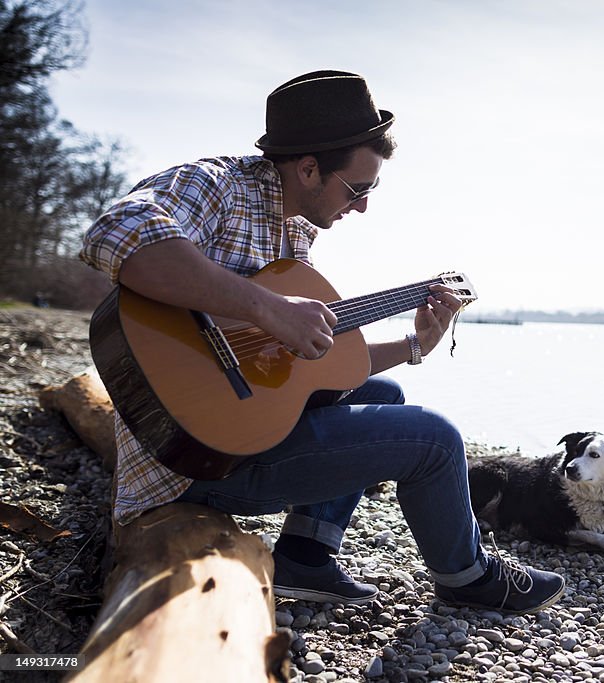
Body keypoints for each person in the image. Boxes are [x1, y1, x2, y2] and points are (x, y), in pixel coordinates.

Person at [79, 70, 565, 614]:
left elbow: (314, 366)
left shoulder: (296, 230)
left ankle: (307, 556)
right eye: (357, 189)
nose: (361, 207)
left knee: (385, 394)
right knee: (436, 438)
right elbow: (114, 235)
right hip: (189, 462)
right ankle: (468, 576)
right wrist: (268, 307)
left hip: (235, 432)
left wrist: (413, 345)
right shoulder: (215, 186)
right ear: (308, 167)